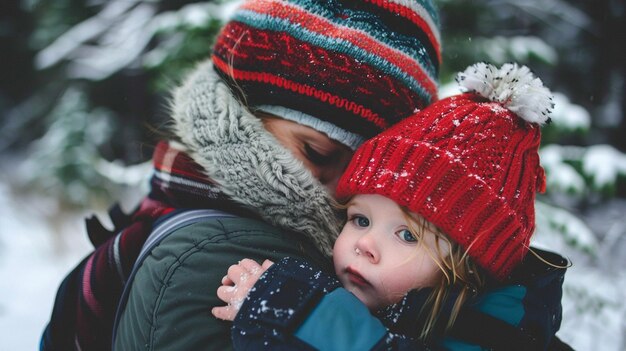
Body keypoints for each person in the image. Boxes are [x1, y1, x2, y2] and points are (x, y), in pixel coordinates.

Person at [40, 0, 442, 350]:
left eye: (361, 170)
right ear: (243, 114)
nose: (340, 190)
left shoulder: (183, 203)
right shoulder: (230, 263)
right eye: (315, 152)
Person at [212, 63, 571, 350]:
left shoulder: (497, 336)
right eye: (360, 219)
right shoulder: (402, 310)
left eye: (407, 235)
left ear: (468, 272)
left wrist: (304, 315)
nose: (364, 245)